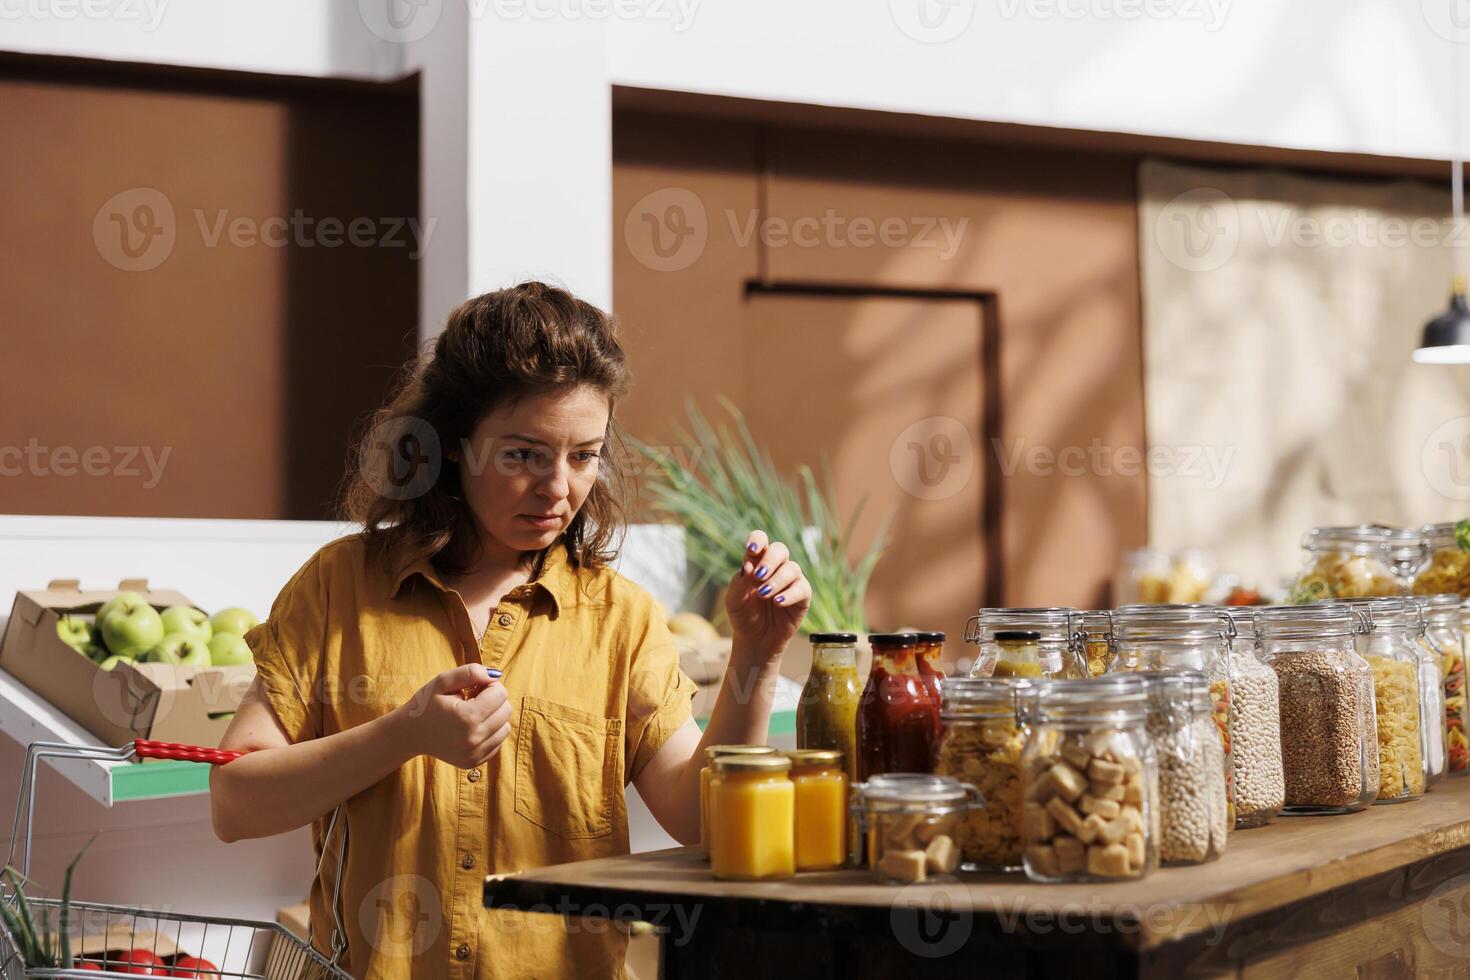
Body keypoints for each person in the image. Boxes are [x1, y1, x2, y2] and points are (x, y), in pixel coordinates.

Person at [209, 282, 810, 978]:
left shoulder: (621, 619)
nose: (558, 486)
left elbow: (705, 824)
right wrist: (404, 733)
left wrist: (759, 655)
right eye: (524, 454)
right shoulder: (339, 587)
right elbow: (235, 803)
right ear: (454, 445)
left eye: (584, 455)